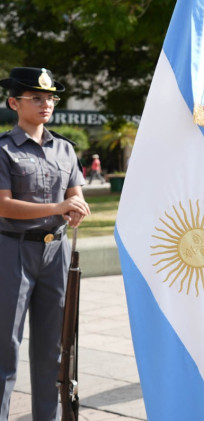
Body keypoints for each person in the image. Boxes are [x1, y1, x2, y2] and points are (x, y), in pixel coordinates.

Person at [0, 66, 91, 421]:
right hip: (13, 250)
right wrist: (58, 207)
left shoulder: (64, 149)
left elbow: (75, 195)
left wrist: (76, 208)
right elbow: (3, 205)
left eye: (50, 98)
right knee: (5, 348)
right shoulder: (4, 150)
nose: (46, 104)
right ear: (13, 103)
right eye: (36, 98)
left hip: (56, 252)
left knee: (54, 348)